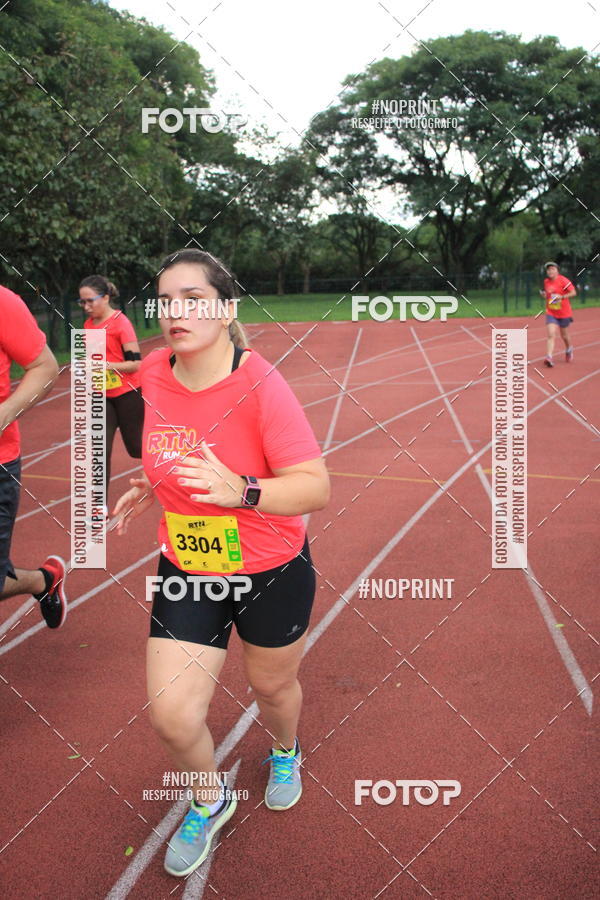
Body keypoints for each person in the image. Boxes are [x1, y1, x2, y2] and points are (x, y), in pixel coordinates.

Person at [114, 249, 330, 877]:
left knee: (271, 687)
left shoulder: (261, 384)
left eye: (192, 298)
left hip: (271, 567)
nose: (175, 312)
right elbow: (176, 448)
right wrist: (153, 484)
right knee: (174, 716)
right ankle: (210, 801)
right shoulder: (155, 370)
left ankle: (285, 750)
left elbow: (315, 487)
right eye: (165, 301)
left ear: (226, 308)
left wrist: (246, 491)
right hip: (189, 563)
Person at [0, 284, 68, 628]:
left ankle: (42, 580)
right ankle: (42, 580)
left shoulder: (2, 302)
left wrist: (6, 411)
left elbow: (44, 367)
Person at [79, 276, 144, 509]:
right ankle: (98, 505)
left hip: (128, 393)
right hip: (102, 396)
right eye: (82, 302)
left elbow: (136, 363)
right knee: (99, 449)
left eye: (90, 301)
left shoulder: (121, 323)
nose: (86, 307)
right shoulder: (88, 325)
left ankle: (166, 476)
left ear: (105, 298)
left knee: (136, 447)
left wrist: (107, 366)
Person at [539, 261, 576, 367]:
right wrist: (544, 295)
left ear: (557, 270)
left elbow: (574, 293)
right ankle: (549, 357)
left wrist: (562, 297)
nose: (550, 271)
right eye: (548, 269)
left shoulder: (563, 280)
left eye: (552, 269)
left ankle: (569, 348)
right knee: (551, 334)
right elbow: (549, 295)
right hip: (551, 312)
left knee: (564, 335)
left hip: (564, 313)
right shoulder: (546, 282)